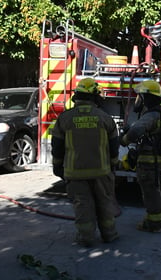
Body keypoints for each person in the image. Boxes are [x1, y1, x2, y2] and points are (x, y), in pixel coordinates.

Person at [51, 77, 120, 247]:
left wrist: (57, 166)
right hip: (102, 172)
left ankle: (86, 238)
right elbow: (114, 146)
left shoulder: (65, 118)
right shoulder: (105, 118)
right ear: (95, 97)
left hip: (75, 173)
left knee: (83, 206)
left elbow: (57, 146)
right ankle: (109, 235)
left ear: (77, 96)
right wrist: (113, 165)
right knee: (105, 203)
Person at [120, 80, 161, 233]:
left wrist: (124, 139)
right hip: (160, 160)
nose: (137, 100)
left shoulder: (151, 115)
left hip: (149, 161)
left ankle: (153, 223)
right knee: (160, 188)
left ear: (146, 98)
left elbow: (136, 132)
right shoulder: (160, 112)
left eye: (140, 96)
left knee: (150, 191)